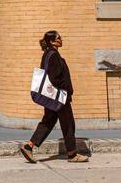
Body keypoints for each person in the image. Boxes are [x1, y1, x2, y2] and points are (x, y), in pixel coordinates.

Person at [20, 30, 88, 163]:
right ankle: (72, 154)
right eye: (57, 38)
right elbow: (54, 78)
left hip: (52, 97)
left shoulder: (47, 54)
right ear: (51, 41)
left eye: (60, 37)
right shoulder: (54, 55)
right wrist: (66, 89)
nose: (60, 39)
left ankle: (29, 146)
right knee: (68, 124)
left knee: (48, 122)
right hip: (59, 97)